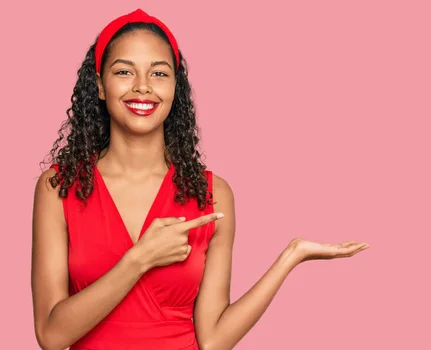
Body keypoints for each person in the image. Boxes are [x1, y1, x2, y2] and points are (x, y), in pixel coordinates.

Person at [31, 8, 369, 350]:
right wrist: (140, 258)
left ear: (176, 88)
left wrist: (291, 256)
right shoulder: (59, 188)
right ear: (101, 86)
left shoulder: (212, 193)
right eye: (124, 71)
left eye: (159, 73)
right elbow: (51, 335)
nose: (143, 87)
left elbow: (214, 340)